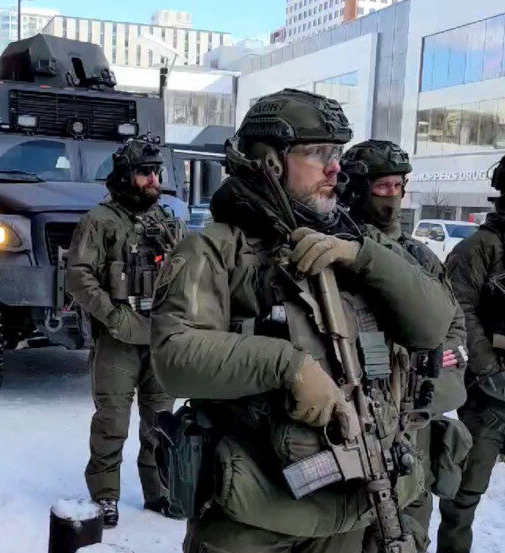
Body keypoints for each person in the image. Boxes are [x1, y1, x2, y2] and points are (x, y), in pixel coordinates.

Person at [150, 89, 457, 553]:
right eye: (317, 153)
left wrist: (363, 257)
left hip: (364, 507)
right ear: (269, 162)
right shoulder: (217, 249)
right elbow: (175, 356)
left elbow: (434, 326)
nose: (335, 168)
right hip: (261, 516)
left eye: (335, 153)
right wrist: (286, 365)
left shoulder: (357, 242)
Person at [340, 140, 470, 552]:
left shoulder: (423, 259)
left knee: (409, 531)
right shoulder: (338, 251)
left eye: (399, 185)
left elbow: (454, 337)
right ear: (357, 187)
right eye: (382, 186)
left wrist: (426, 393)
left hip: (411, 427)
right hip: (353, 422)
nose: (393, 196)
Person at [66, 138, 182, 527]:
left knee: (161, 421)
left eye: (156, 173)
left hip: (160, 337)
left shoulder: (165, 220)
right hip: (118, 340)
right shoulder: (100, 221)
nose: (152, 179)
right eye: (144, 173)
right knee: (112, 422)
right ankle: (105, 495)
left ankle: (159, 491)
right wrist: (113, 317)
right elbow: (78, 277)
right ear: (124, 176)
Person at [437, 151, 505, 553]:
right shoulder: (480, 248)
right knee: (463, 496)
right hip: (490, 400)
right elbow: (458, 312)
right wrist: (489, 370)